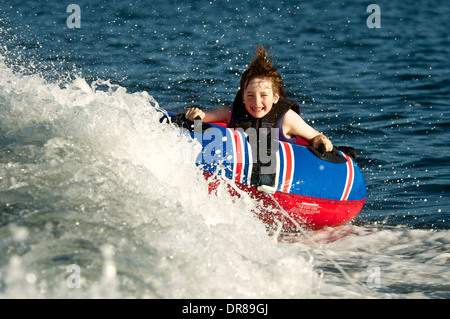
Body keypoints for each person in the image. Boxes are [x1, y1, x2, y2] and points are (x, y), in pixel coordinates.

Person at [184, 45, 333, 153]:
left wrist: (322, 142)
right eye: (250, 96)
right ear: (242, 97)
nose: (256, 102)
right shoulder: (231, 113)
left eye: (263, 95)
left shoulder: (287, 119)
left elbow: (316, 137)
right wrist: (195, 114)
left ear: (275, 98)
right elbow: (203, 116)